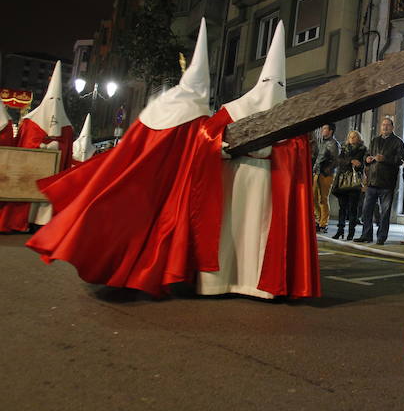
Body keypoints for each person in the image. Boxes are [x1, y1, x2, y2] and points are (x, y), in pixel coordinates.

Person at [27, 20, 225, 296]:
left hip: (139, 182)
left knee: (126, 219)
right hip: (163, 186)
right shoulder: (196, 114)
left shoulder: (159, 107)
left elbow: (132, 147)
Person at [197, 21, 321, 300]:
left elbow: (299, 153)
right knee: (233, 230)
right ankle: (222, 282)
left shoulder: (291, 116)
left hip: (266, 180)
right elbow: (205, 137)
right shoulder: (235, 109)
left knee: (258, 232)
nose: (271, 90)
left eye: (277, 84)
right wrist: (223, 148)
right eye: (268, 83)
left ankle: (255, 283)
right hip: (237, 177)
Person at [0, 60, 73, 232]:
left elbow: (67, 154)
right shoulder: (30, 123)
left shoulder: (67, 128)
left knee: (45, 197)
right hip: (30, 175)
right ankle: (22, 221)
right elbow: (22, 147)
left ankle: (42, 223)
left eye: (58, 100)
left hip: (52, 177)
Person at [354, 117, 404, 245]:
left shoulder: (398, 142)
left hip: (387, 183)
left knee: (384, 212)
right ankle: (366, 235)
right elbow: (367, 154)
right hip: (372, 181)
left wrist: (385, 159)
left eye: (387, 125)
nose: (385, 127)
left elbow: (400, 160)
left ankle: (381, 237)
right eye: (383, 125)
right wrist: (367, 159)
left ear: (392, 127)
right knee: (366, 211)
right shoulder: (375, 140)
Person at [332, 130, 367, 240]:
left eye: (354, 137)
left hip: (355, 182)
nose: (352, 138)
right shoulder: (343, 147)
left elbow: (363, 165)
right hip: (342, 181)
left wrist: (359, 164)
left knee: (353, 208)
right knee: (342, 208)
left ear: (358, 138)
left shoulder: (363, 149)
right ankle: (340, 230)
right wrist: (351, 161)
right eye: (350, 137)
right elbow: (339, 161)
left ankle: (351, 232)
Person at [313, 123, 340, 233]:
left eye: (325, 128)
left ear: (331, 131)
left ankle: (323, 223)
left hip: (326, 174)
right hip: (317, 173)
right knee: (313, 197)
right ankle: (317, 219)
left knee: (323, 198)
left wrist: (326, 171)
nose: (322, 130)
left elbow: (336, 160)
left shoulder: (334, 144)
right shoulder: (322, 142)